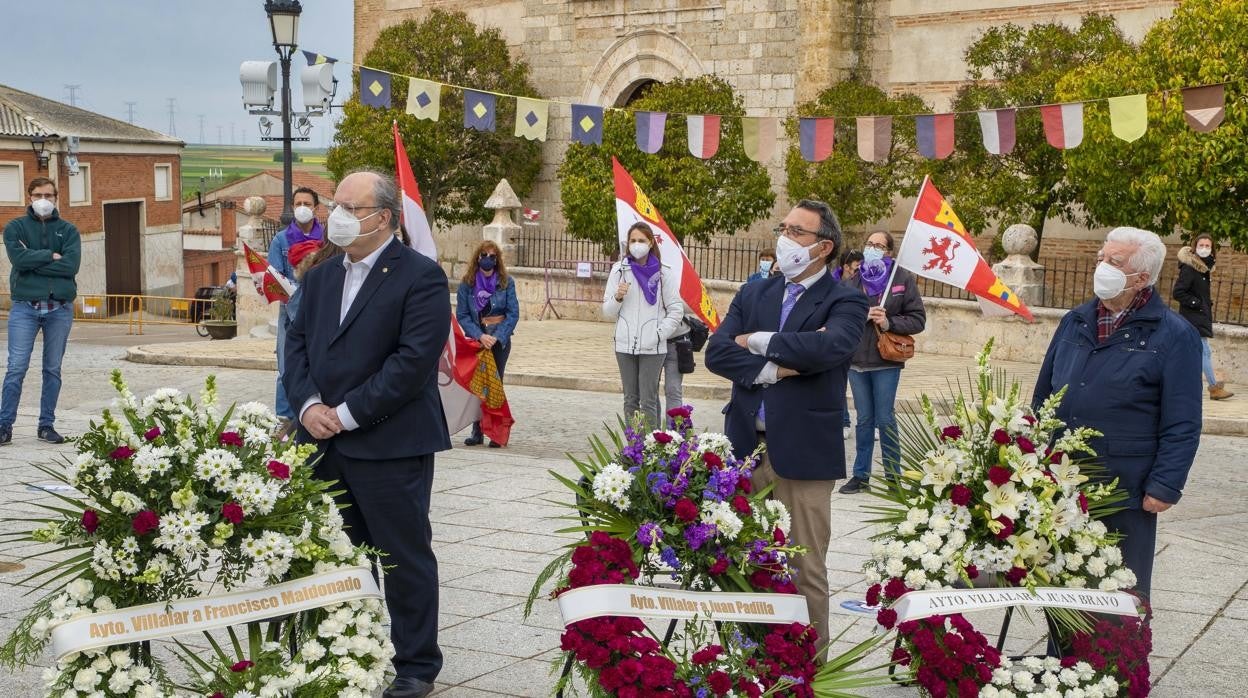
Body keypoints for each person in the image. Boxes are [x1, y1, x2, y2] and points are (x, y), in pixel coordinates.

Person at [283, 170, 450, 698]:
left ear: (383, 217)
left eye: (350, 207)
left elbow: (411, 363)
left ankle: (416, 665)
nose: (337, 215)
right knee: (336, 553)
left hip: (389, 443)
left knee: (402, 557)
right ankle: (348, 646)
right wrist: (308, 406)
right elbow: (297, 347)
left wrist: (348, 413)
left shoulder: (420, 277)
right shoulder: (321, 276)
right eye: (337, 204)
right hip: (322, 442)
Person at [705, 199, 868, 644]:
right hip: (745, 447)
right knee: (744, 560)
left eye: (798, 232)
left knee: (805, 567)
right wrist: (776, 366)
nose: (785, 237)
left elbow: (828, 349)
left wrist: (756, 340)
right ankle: (748, 662)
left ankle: (810, 673)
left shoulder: (846, 299)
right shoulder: (755, 291)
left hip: (805, 452)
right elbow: (717, 352)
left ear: (823, 247)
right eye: (784, 227)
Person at [1032, 226, 1202, 599]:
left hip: (1124, 486)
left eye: (1114, 261)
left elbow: (1183, 420)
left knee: (1118, 590)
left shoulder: (1174, 335)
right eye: (1100, 259)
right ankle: (1059, 659)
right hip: (1062, 480)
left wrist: (1165, 485)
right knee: (1061, 588)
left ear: (1142, 277)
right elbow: (1043, 394)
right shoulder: (1075, 320)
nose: (1102, 267)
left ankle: (1114, 658)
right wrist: (1030, 455)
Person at [839, 232, 926, 494]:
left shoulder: (901, 280)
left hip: (886, 361)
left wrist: (889, 323)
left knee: (885, 419)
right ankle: (860, 475)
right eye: (869, 244)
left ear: (889, 252)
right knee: (864, 419)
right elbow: (839, 318)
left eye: (879, 246)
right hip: (856, 362)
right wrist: (861, 315)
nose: (873, 249)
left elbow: (918, 319)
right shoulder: (852, 282)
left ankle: (893, 477)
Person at [1, 177, 81, 446]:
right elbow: (18, 260)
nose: (43, 199)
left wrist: (33, 260)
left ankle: (46, 425)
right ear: (29, 197)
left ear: (57, 198)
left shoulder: (68, 230)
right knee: (16, 367)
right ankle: (4, 426)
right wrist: (50, 255)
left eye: (48, 194)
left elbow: (70, 267)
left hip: (59, 309)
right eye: (37, 195)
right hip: (25, 308)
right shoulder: (15, 228)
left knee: (53, 369)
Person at [603, 221, 683, 429]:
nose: (636, 244)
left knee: (648, 400)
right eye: (632, 241)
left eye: (641, 240)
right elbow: (607, 311)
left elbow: (675, 310)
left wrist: (658, 334)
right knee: (630, 399)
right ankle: (633, 447)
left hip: (653, 347)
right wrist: (618, 297)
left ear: (650, 243)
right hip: (624, 344)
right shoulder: (619, 271)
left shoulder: (664, 273)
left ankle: (651, 447)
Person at [268, 187, 324, 425]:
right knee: (286, 365)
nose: (303, 207)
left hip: (321, 311)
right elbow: (273, 277)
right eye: (298, 203)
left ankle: (312, 411)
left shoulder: (326, 239)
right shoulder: (281, 240)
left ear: (316, 207)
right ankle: (285, 418)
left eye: (307, 203)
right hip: (289, 314)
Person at [457, 240, 520, 447]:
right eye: (484, 255)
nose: (488, 259)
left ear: (497, 260)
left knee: (495, 386)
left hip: (499, 341)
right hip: (477, 341)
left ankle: (495, 431)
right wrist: (479, 336)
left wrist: (498, 337)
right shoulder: (467, 284)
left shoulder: (506, 282)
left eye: (492, 256)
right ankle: (477, 431)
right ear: (478, 257)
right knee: (478, 387)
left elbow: (513, 313)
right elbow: (463, 315)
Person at [1173, 235, 1232, 400]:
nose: (1204, 248)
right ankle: (1214, 388)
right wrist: (1197, 303)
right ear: (1194, 247)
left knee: (1192, 353)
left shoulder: (1203, 269)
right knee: (1204, 351)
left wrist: (1206, 303)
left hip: (1199, 315)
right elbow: (1178, 292)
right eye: (1201, 245)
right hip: (1193, 317)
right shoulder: (1190, 268)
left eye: (1208, 245)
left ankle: (1178, 384)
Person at [832, 249, 865, 439]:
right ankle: (844, 421)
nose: (859, 271)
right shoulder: (831, 283)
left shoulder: (863, 283)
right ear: (845, 266)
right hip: (837, 340)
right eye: (856, 267)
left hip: (858, 341)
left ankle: (869, 422)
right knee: (839, 384)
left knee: (859, 386)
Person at [661, 314, 693, 419]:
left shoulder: (685, 297)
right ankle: (651, 432)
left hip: (677, 343)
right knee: (649, 392)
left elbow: (692, 306)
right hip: (651, 343)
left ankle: (674, 432)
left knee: (673, 389)